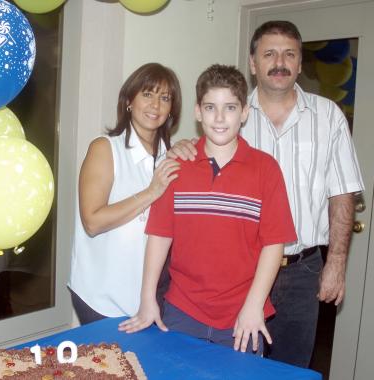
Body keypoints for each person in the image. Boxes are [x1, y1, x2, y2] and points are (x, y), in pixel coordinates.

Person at [166, 21, 365, 367]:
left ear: (301, 64)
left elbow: (343, 193)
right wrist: (184, 147)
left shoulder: (328, 116)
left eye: (290, 54)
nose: (280, 62)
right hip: (241, 271)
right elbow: (202, 162)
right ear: (253, 63)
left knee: (290, 367)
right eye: (269, 53)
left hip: (303, 271)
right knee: (232, 367)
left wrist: (336, 263)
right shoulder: (232, 113)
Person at [119, 64, 297, 355]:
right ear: (197, 112)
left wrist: (254, 306)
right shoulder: (176, 167)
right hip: (182, 312)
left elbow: (274, 244)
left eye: (230, 107)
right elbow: (159, 236)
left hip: (243, 316)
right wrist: (147, 298)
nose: (219, 117)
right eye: (210, 107)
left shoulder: (266, 170)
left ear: (244, 113)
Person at [68, 63, 182, 325]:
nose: (155, 105)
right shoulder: (105, 148)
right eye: (147, 94)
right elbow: (93, 222)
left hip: (153, 295)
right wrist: (151, 192)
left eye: (164, 98)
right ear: (129, 100)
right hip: (102, 296)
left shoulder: (172, 154)